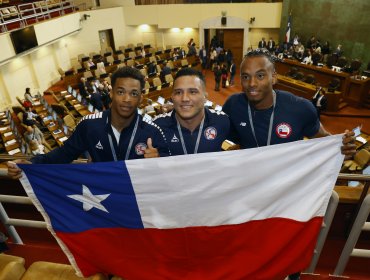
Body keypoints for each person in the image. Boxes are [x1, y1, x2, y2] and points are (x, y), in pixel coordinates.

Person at [222, 48, 355, 280]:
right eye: (245, 76)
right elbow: (230, 139)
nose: (252, 83)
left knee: (287, 253)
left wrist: (341, 144)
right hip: (250, 194)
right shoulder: (233, 105)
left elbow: (324, 138)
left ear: (274, 77)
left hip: (288, 196)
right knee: (250, 251)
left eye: (260, 75)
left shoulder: (300, 108)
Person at [8, 67, 170, 179]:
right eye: (121, 92)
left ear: (140, 97)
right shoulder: (89, 126)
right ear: (111, 93)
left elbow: (171, 167)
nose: (127, 99)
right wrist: (30, 163)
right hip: (104, 197)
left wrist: (159, 158)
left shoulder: (153, 131)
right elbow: (62, 155)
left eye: (134, 93)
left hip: (138, 200)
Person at [153, 68, 230, 155]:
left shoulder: (222, 121)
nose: (185, 98)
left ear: (205, 97)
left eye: (193, 92)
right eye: (178, 92)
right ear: (172, 97)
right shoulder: (156, 127)